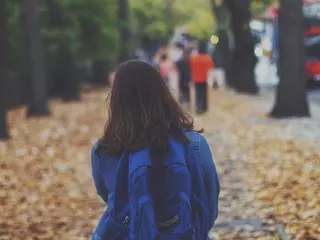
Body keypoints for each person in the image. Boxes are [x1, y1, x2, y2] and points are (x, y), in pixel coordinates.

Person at [91, 60, 220, 240]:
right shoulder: (194, 145)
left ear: (116, 99)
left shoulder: (103, 151)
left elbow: (113, 199)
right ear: (163, 93)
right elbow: (209, 206)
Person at [190, 41, 214, 114]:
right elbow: (211, 67)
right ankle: (204, 108)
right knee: (204, 93)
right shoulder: (207, 58)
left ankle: (198, 108)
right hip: (204, 78)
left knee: (198, 93)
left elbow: (191, 68)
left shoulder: (194, 58)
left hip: (196, 78)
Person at [176, 45, 191, 111]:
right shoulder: (190, 61)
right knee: (187, 92)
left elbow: (177, 67)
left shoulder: (180, 61)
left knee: (181, 91)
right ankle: (188, 107)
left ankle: (181, 107)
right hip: (187, 78)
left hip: (181, 77)